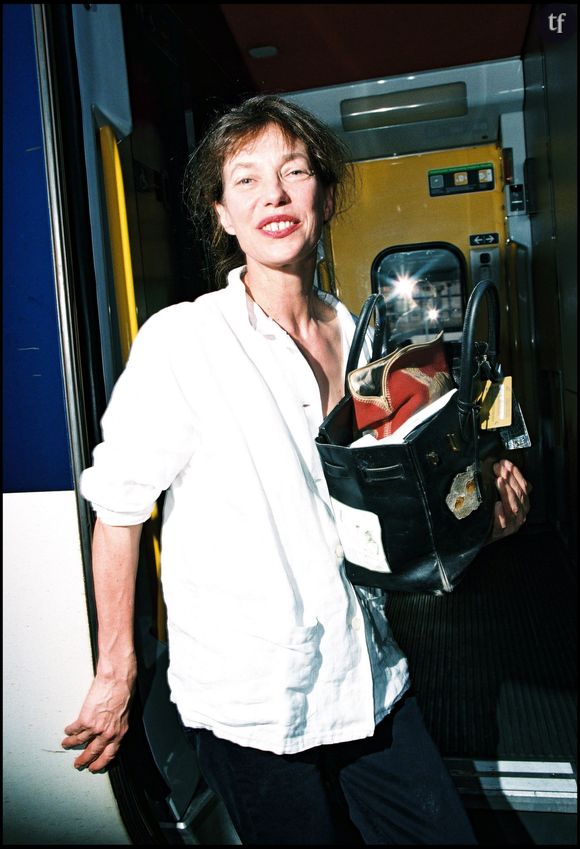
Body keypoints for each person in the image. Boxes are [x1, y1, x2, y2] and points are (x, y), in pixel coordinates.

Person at [62, 95, 532, 844]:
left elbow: (379, 492)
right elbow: (118, 511)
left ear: (326, 194)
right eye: (244, 180)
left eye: (294, 171)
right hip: (254, 701)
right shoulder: (183, 342)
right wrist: (116, 672)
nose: (273, 195)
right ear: (221, 213)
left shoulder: (354, 328)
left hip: (365, 673)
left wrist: (480, 506)